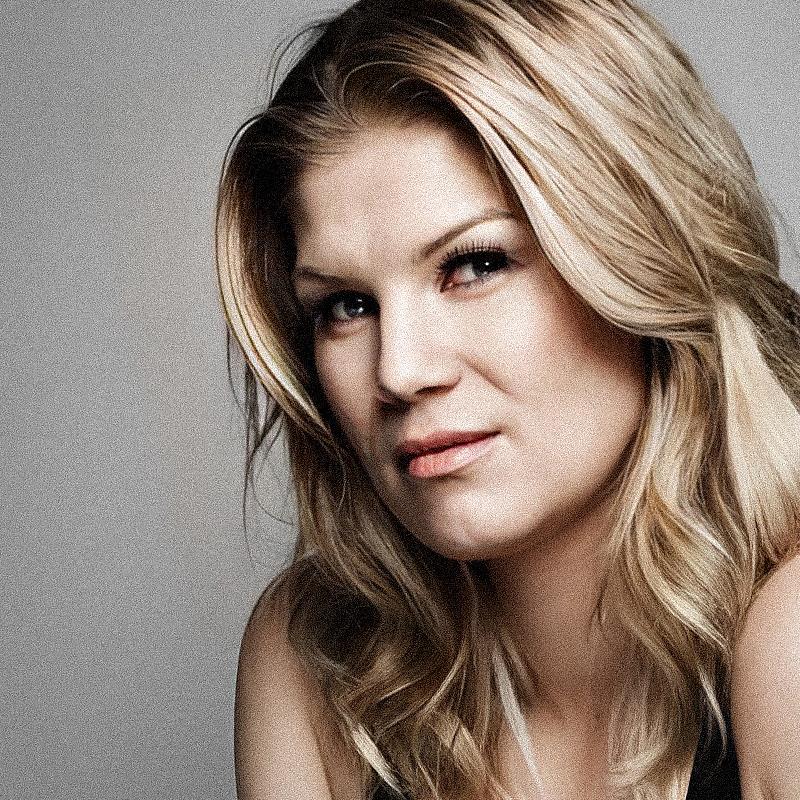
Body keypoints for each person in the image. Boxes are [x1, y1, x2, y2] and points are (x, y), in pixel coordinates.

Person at [215, 1, 800, 798]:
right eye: (346, 306)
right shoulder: (313, 657)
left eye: (475, 265)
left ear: (644, 258)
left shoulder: (790, 636)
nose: (400, 371)